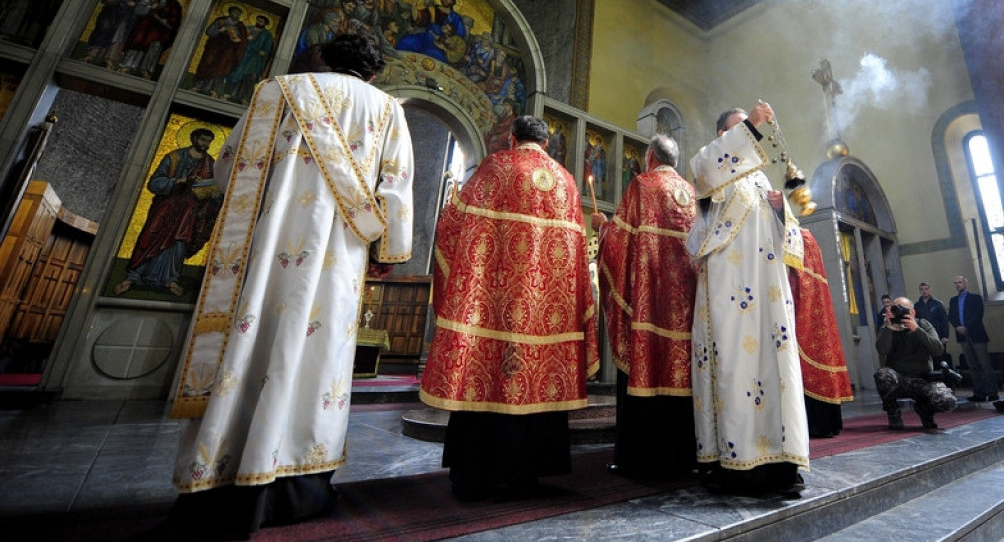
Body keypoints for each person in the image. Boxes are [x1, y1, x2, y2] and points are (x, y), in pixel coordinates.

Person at [163, 33, 414, 537]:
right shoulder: (386, 108)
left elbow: (230, 164)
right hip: (337, 256)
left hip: (265, 249)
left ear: (323, 57)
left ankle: (218, 473)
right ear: (371, 71)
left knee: (250, 344)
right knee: (315, 358)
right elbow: (396, 186)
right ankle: (296, 481)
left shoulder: (276, 91)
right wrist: (385, 250)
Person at [420, 114, 599, 500]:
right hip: (547, 318)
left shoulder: (496, 168)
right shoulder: (566, 183)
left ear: (513, 140)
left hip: (491, 311)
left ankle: (475, 474)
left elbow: (453, 230)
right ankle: (527, 474)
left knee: (486, 383)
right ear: (547, 144)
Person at [687, 102, 808, 497]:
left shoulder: (759, 180)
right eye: (740, 130)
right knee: (736, 368)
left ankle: (783, 462)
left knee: (777, 372)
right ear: (724, 136)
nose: (752, 137)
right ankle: (737, 466)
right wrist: (752, 125)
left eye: (751, 130)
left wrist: (780, 212)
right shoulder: (715, 168)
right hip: (730, 292)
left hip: (768, 296)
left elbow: (786, 242)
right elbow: (703, 172)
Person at [591, 133, 699, 479]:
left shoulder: (643, 185)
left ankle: (638, 458)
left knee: (646, 372)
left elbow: (621, 244)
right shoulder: (692, 194)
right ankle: (685, 456)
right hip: (688, 312)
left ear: (650, 156)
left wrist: (603, 228)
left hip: (650, 310)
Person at [112, 128, 221, 298]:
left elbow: (215, 187)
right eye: (203, 140)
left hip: (189, 211)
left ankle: (171, 279)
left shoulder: (210, 164)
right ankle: (133, 276)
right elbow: (154, 183)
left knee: (179, 242)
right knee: (151, 238)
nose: (205, 144)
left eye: (209, 141)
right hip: (166, 207)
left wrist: (211, 191)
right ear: (193, 139)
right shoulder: (174, 157)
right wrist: (181, 180)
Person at [788, 228, 853, 438]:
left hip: (803, 309)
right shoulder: (808, 237)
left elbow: (794, 275)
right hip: (814, 310)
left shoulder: (801, 238)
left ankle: (819, 424)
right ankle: (828, 423)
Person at [874, 297, 957, 430]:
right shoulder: (887, 327)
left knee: (947, 401)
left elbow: (938, 349)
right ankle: (893, 412)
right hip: (899, 381)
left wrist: (916, 329)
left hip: (923, 379)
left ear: (913, 312)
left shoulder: (923, 324)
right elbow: (882, 350)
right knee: (882, 375)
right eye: (895, 309)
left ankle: (926, 413)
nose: (899, 312)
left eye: (903, 309)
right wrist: (889, 328)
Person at [949, 275, 999, 402]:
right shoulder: (953, 300)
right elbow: (951, 316)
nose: (957, 285)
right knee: (972, 366)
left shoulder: (975, 298)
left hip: (976, 334)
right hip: (962, 336)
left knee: (984, 364)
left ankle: (992, 391)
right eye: (956, 283)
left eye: (960, 282)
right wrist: (957, 327)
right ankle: (979, 392)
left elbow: (978, 315)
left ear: (966, 283)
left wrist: (967, 327)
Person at [914, 281, 950, 370]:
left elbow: (944, 320)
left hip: (938, 335)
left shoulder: (937, 304)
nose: (924, 291)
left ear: (930, 290)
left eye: (926, 289)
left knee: (940, 360)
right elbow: (915, 322)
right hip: (924, 336)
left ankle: (943, 382)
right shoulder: (916, 306)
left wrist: (945, 336)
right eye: (922, 289)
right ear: (919, 291)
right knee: (927, 360)